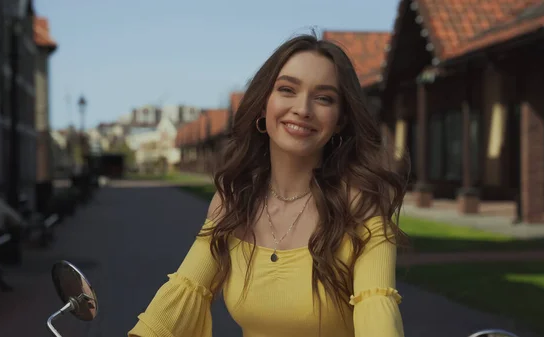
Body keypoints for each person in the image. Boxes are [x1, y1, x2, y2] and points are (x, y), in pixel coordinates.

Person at [128, 33, 409, 337]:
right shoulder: (234, 203)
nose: (303, 109)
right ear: (264, 106)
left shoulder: (361, 208)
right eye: (287, 89)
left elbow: (377, 311)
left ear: (340, 120)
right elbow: (184, 292)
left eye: (324, 98)